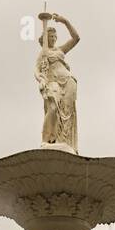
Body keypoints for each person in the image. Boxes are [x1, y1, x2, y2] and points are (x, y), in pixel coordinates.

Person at [35, 12, 80, 151]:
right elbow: (37, 70)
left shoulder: (60, 50)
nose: (53, 38)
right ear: (45, 39)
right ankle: (46, 140)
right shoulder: (43, 53)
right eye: (50, 36)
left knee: (67, 115)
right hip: (52, 83)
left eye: (55, 36)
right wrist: (41, 79)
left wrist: (64, 21)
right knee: (53, 108)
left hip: (68, 82)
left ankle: (63, 141)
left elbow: (76, 38)